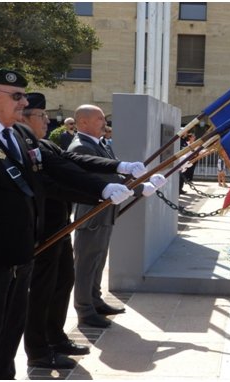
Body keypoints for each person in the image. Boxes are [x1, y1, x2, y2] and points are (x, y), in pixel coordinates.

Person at [0, 67, 134, 379]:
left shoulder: (19, 135)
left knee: (9, 332)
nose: (23, 104)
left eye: (23, 96)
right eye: (17, 96)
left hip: (22, 253)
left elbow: (58, 168)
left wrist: (102, 187)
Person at [20, 93, 157, 369]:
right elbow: (53, 184)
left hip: (59, 227)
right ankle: (38, 350)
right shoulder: (23, 147)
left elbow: (77, 165)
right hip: (41, 232)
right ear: (24, 119)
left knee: (63, 283)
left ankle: (56, 338)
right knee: (41, 292)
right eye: (41, 116)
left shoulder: (45, 145)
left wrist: (120, 166)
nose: (48, 120)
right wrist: (100, 194)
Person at [68, 104, 167, 329]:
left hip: (105, 211)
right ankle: (84, 310)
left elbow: (113, 176)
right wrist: (142, 188)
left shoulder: (99, 144)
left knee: (98, 259)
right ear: (83, 122)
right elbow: (102, 181)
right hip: (91, 213)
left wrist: (144, 185)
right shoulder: (81, 147)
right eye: (99, 119)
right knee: (86, 263)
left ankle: (95, 301)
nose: (104, 123)